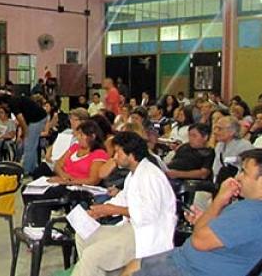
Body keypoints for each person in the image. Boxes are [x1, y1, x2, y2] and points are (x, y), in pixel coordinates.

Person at [134, 149, 262, 276]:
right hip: (187, 260)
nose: (238, 177)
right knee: (134, 265)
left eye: (244, 172)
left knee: (133, 266)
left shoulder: (252, 213)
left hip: (189, 269)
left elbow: (199, 241)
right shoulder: (250, 209)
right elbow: (223, 234)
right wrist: (204, 219)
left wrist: (220, 199)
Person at [69, 132, 176, 276]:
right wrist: (99, 211)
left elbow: (148, 214)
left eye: (118, 153)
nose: (114, 157)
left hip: (145, 235)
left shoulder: (151, 175)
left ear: (131, 155)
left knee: (91, 255)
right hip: (130, 228)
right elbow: (123, 199)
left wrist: (113, 209)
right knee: (83, 235)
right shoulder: (133, 174)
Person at [23, 121, 108, 226]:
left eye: (81, 135)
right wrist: (63, 176)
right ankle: (33, 224)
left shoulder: (99, 154)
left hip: (78, 187)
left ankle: (40, 228)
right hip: (63, 181)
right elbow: (58, 164)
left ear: (92, 136)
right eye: (78, 134)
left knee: (43, 195)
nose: (78, 137)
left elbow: (93, 180)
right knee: (27, 190)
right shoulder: (75, 148)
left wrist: (67, 181)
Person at [0, 94, 47, 175]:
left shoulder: (13, 103)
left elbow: (21, 119)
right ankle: (33, 169)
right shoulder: (16, 99)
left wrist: (25, 132)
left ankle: (26, 170)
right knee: (32, 146)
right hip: (38, 118)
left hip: (37, 120)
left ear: (4, 103)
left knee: (28, 146)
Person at [212, 116, 254, 183]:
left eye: (219, 129)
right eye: (215, 128)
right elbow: (216, 169)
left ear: (232, 131)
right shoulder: (219, 145)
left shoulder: (245, 146)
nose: (215, 132)